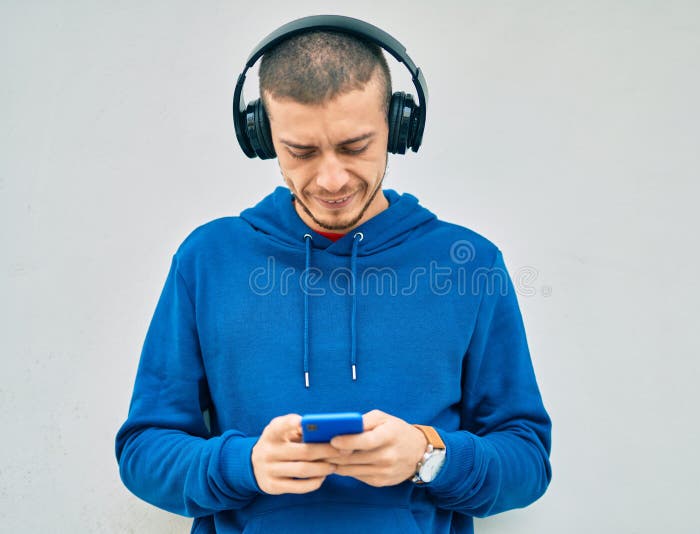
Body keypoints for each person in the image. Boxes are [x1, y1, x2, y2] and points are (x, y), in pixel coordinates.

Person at [115, 15, 552, 534]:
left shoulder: (470, 263)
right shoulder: (207, 259)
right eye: (300, 152)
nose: (331, 179)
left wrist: (428, 456)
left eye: (354, 146)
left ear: (398, 126)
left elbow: (527, 459)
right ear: (260, 135)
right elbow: (143, 450)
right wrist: (246, 465)